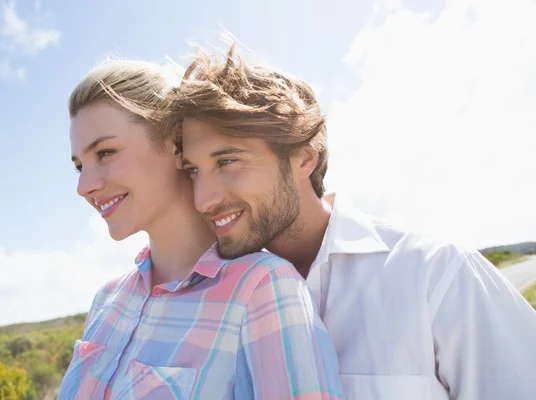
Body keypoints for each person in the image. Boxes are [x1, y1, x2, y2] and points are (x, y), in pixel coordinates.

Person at [168, 43, 536, 399]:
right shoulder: (219, 306)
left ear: (302, 158)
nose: (203, 199)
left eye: (227, 161)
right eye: (193, 171)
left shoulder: (435, 272)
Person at [57, 59, 344, 399]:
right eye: (79, 167)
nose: (84, 186)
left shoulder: (263, 289)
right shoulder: (108, 299)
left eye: (105, 152)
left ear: (177, 146)